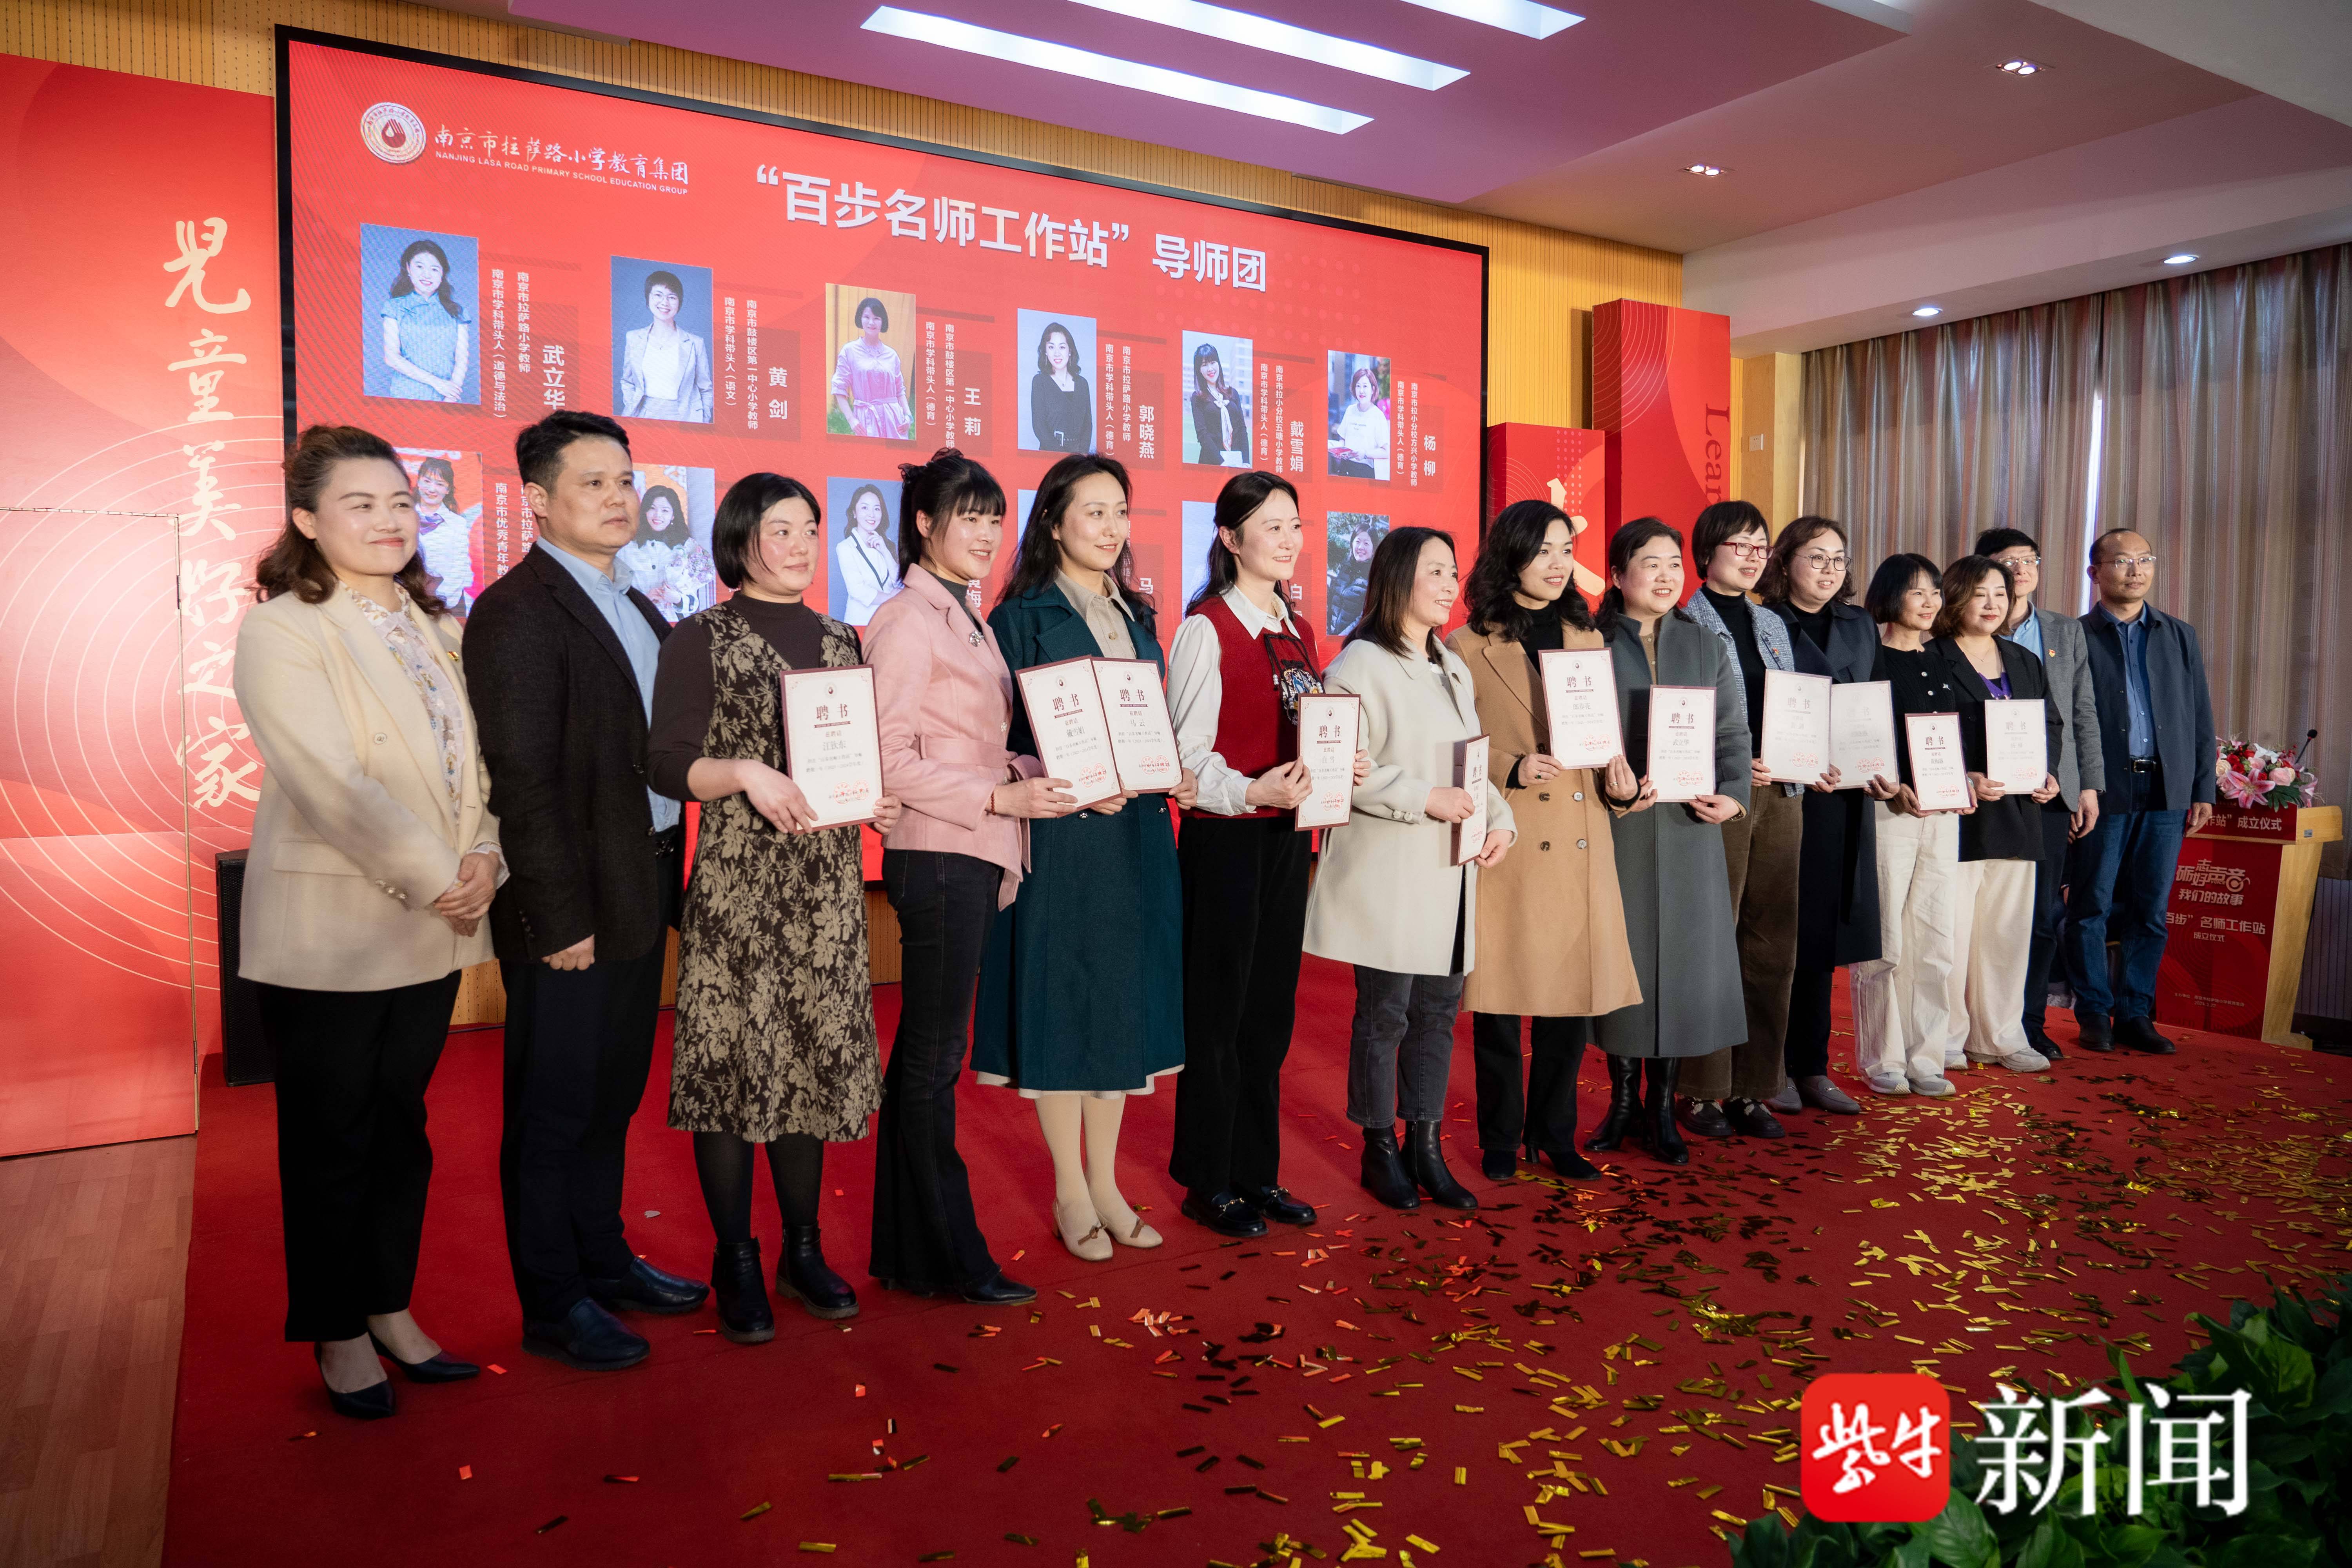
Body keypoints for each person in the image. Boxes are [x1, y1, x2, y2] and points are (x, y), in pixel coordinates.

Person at [235, 424, 498, 1419]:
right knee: (330, 1137)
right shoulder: (285, 628)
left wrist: (488, 856)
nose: (390, 520)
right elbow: (331, 783)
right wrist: (441, 875)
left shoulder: (438, 625)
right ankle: (336, 1327)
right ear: (307, 520)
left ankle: (388, 1303)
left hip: (431, 925)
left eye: (400, 503)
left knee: (400, 1128)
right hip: (333, 932)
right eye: (361, 504)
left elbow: (476, 768)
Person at [464, 410, 709, 1374]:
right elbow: (521, 779)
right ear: (537, 498)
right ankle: (553, 1299)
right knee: (553, 1108)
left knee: (610, 1096)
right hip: (570, 906)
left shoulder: (635, 601)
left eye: (625, 480)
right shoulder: (518, 610)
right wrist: (557, 917)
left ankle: (604, 1259)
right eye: (594, 482)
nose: (619, 498)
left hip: (638, 883)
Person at [648, 473, 904, 1340]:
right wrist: (746, 773)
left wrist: (871, 798)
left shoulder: (840, 637)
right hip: (740, 888)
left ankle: (802, 1250)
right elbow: (666, 763)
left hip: (826, 890)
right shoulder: (700, 637)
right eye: (779, 529)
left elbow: (849, 753)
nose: (798, 545)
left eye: (808, 529)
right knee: (731, 1070)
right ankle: (736, 1259)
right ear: (739, 539)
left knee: (809, 1065)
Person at [976, 454, 1199, 1259]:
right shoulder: (1019, 618)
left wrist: (1169, 768)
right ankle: (1071, 1190)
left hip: (1138, 834)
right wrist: (1058, 777)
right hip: (1065, 839)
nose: (1110, 528)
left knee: (1120, 1008)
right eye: (1093, 512)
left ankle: (1106, 1183)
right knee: (1066, 1005)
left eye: (1119, 512)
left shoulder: (1137, 616)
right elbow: (994, 743)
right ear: (1054, 521)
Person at [866, 450, 1062, 1306]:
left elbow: (970, 743)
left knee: (928, 1053)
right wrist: (998, 791)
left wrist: (1036, 767)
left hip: (972, 850)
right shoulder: (908, 619)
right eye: (968, 517)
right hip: (940, 852)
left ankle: (914, 1250)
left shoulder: (965, 615)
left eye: (994, 518)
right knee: (934, 1057)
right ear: (923, 523)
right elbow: (887, 759)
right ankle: (947, 1253)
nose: (986, 534)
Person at [1165, 470, 1368, 1236]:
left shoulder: (1297, 628)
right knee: (1217, 1015)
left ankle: (1258, 1172)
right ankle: (1208, 1179)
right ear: (1230, 537)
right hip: (1226, 838)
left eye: (1296, 525)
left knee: (1270, 1016)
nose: (1288, 540)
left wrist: (1340, 761)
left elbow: (1307, 728)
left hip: (1287, 838)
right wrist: (1252, 790)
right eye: (1271, 526)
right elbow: (1185, 760)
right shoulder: (1207, 628)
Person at [1303, 527, 1515, 1211]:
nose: (1452, 585)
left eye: (1454, 572)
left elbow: (1470, 763)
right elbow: (1344, 770)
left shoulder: (1449, 665)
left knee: (1437, 1014)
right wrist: (1425, 798)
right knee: (1385, 1014)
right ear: (1398, 578)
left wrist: (1501, 818)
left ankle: (1426, 1143)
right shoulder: (1360, 664)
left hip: (1450, 872)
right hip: (1390, 875)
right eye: (1436, 572)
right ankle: (1379, 1147)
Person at [1447, 500, 1641, 1182]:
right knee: (1499, 1003)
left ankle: (1555, 1134)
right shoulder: (1467, 646)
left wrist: (1620, 784)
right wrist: (1510, 767)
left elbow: (1602, 744)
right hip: (1511, 834)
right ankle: (1501, 1137)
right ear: (1511, 556)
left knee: (1571, 1001)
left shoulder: (1588, 639)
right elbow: (1453, 746)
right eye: (1543, 551)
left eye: (1566, 550)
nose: (1558, 565)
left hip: (1581, 833)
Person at [1586, 519, 1749, 1165]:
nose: (1665, 575)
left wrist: (1734, 794)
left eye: (1673, 564)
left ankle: (1661, 1108)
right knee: (1624, 961)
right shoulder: (1590, 643)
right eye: (1649, 563)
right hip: (1618, 825)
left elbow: (1732, 732)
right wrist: (1608, 786)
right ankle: (1622, 1102)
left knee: (1681, 967)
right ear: (1618, 575)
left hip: (1689, 826)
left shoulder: (1705, 643)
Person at [1675, 501, 1817, 1137]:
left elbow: (1792, 707)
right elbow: (1677, 718)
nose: (1754, 556)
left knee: (1771, 944)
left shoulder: (1772, 623)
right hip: (1717, 796)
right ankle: (1701, 1089)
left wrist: (1801, 756)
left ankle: (1754, 1085)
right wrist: (1733, 767)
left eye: (1762, 547)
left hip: (1782, 794)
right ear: (1707, 553)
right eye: (1741, 545)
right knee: (1713, 940)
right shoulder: (1683, 622)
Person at [2064, 529, 2216, 1055]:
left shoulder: (2179, 635)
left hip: (2166, 788)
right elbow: (2065, 720)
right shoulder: (2076, 636)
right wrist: (2076, 786)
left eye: (2145, 559)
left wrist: (2202, 786)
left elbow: (2199, 715)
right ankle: (2093, 1012)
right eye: (2123, 561)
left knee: (2150, 908)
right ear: (2095, 573)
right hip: (2104, 787)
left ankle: (2135, 1012)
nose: (2136, 570)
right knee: (2092, 904)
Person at [1759, 517, 1892, 1108]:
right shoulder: (1764, 622)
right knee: (1778, 932)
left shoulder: (1859, 624)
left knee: (1822, 938)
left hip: (1845, 795)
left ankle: (1812, 1066)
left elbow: (1878, 699)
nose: (1830, 569)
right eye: (1816, 557)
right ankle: (1771, 1068)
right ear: (1785, 561)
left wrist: (1886, 767)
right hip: (1785, 792)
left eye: (1839, 559)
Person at [1929, 557, 2065, 1072]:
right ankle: (1945, 1036)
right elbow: (1921, 730)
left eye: (2001, 595)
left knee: (2006, 936)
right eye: (1980, 593)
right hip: (1958, 814)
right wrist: (1963, 775)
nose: (1992, 604)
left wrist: (2048, 773)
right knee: (1951, 934)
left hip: (2019, 814)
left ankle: (2000, 1036)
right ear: (1955, 596)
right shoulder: (1932, 655)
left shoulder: (2023, 659)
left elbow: (2050, 724)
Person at [1978, 528, 2104, 1060]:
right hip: (1984, 790)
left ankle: (2029, 1023)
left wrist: (2088, 785)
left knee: (2042, 915)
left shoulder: (2063, 630)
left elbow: (2082, 711)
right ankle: (1980, 1020)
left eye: (2030, 559)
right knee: (1986, 911)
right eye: (2010, 562)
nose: (2023, 569)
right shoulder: (1965, 626)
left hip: (2051, 789)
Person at [1849, 555, 1969, 1096]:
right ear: (1890, 595)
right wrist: (1891, 782)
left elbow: (1952, 738)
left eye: (1935, 592)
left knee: (1936, 939)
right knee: (1886, 942)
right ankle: (1883, 1059)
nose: (1930, 602)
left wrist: (1966, 779)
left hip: (1943, 815)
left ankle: (1927, 1056)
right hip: (1887, 811)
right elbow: (1858, 736)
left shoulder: (1943, 659)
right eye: (1917, 591)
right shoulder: (1869, 658)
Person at [379, 238, 472, 403]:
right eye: (420, 267)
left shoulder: (458, 312)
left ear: (443, 274)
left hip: (447, 397)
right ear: (408, 269)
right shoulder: (394, 307)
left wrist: (451, 395)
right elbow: (392, 357)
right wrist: (437, 383)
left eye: (434, 269)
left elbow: (462, 359)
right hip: (406, 395)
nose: (427, 275)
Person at [618, 269, 713, 423]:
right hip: (642, 416)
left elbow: (706, 389)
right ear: (648, 298)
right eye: (658, 295)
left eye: (672, 297)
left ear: (679, 303)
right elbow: (627, 381)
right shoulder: (634, 338)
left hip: (685, 418)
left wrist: (703, 420)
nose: (665, 303)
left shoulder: (696, 343)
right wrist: (631, 406)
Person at [617, 483, 709, 621]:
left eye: (665, 511)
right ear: (645, 512)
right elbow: (614, 593)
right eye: (652, 509)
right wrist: (645, 599)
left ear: (673, 515)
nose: (657, 515)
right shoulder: (626, 547)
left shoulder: (687, 548)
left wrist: (677, 598)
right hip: (637, 621)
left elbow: (693, 604)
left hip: (674, 626)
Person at [831, 295, 913, 440]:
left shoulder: (892, 355)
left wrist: (908, 416)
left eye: (877, 318)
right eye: (867, 317)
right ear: (860, 319)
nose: (871, 323)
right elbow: (839, 388)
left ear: (883, 322)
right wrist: (852, 420)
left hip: (895, 420)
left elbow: (900, 390)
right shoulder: (850, 351)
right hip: (866, 419)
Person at [409, 455, 477, 614]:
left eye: (440, 484)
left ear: (447, 490)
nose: (432, 489)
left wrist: (440, 599)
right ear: (418, 482)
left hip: (445, 598)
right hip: (408, 592)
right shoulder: (405, 517)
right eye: (427, 481)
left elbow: (460, 565)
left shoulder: (457, 523)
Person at [835, 482, 902, 626]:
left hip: (889, 621)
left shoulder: (888, 543)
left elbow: (899, 582)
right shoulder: (845, 547)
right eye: (865, 508)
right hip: (861, 622)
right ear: (854, 513)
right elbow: (857, 590)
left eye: (877, 509)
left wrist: (885, 551)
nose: (872, 514)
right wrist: (890, 597)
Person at [1028, 321, 1094, 454]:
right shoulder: (1040, 382)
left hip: (1078, 458)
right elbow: (1039, 427)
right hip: (1050, 455)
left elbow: (1088, 426)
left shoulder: (1082, 384)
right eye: (1051, 347)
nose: (1057, 354)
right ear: (1045, 351)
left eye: (1062, 347)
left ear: (1070, 351)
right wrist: (1061, 456)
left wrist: (1080, 457)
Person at [1188, 342, 1250, 466]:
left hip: (1237, 461)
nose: (1210, 369)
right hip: (1212, 463)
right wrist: (1222, 463)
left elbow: (1242, 429)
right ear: (1199, 370)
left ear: (1219, 364)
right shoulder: (1198, 397)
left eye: (1213, 363)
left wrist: (1246, 462)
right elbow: (1203, 435)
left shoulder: (1233, 394)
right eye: (1205, 365)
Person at [1328, 365, 1391, 480]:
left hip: (1365, 471)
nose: (1361, 391)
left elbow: (1386, 452)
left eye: (1365, 386)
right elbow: (1343, 439)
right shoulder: (1350, 410)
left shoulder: (1378, 416)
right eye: (1358, 386)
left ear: (1373, 389)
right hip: (1345, 467)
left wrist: (1365, 454)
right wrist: (1339, 450)